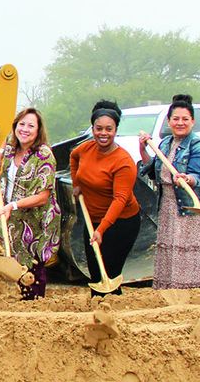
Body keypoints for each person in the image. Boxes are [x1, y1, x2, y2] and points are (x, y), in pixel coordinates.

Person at [138, 95, 200, 289]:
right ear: (169, 121)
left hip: (191, 207)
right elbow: (151, 169)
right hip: (168, 206)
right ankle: (174, 290)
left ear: (193, 121)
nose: (180, 123)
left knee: (193, 253)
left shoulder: (199, 145)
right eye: (176, 119)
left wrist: (187, 179)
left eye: (185, 119)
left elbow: (199, 176)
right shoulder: (165, 143)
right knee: (174, 252)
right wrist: (143, 149)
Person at [0, 108, 61, 300]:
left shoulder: (44, 155)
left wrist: (14, 205)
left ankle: (34, 304)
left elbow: (43, 196)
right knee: (14, 262)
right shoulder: (12, 148)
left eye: (31, 126)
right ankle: (18, 304)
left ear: (38, 131)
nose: (25, 129)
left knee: (32, 266)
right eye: (21, 124)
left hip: (36, 219)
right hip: (13, 217)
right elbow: (6, 139)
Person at [70, 100, 141, 296]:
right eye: (98, 128)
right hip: (92, 219)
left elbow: (120, 199)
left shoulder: (123, 162)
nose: (103, 133)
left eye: (108, 129)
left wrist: (102, 229)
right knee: (94, 273)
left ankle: (113, 314)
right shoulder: (85, 149)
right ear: (92, 128)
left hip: (120, 223)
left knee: (109, 271)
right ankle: (98, 314)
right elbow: (73, 158)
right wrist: (76, 183)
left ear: (116, 130)